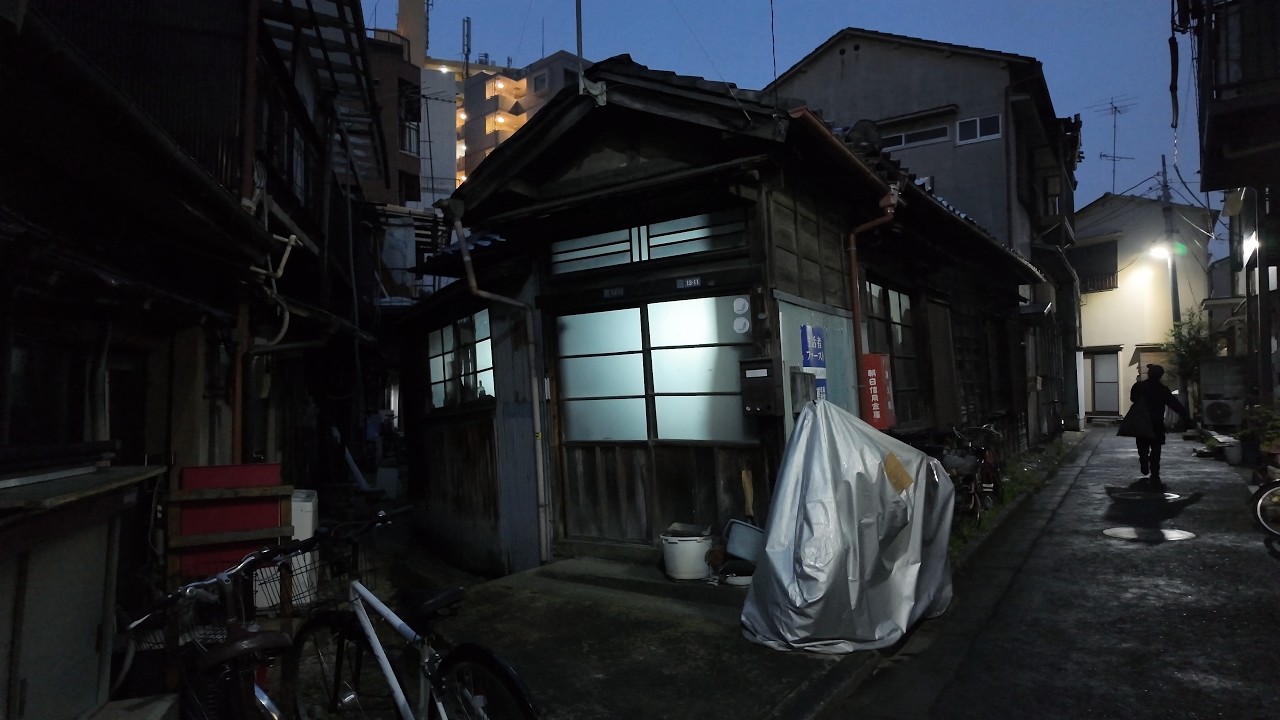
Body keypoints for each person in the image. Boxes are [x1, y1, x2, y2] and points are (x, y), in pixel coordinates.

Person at [1129, 364, 1192, 490]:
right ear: (1160, 376)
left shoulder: (1139, 386)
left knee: (1142, 445)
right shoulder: (1162, 389)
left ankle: (1143, 461)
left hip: (1141, 421)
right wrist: (1187, 417)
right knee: (1156, 448)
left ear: (1149, 373)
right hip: (1156, 422)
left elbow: (1132, 398)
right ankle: (1155, 472)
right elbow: (1174, 404)